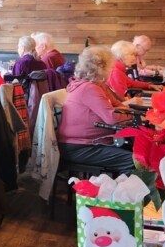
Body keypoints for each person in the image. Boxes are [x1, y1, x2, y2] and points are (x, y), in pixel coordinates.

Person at [57, 46, 134, 175]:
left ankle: (115, 189)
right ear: (103, 68)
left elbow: (119, 106)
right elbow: (113, 118)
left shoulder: (97, 85)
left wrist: (121, 111)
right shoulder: (89, 88)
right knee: (134, 161)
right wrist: (131, 116)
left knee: (137, 151)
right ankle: (114, 193)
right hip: (81, 147)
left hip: (92, 142)